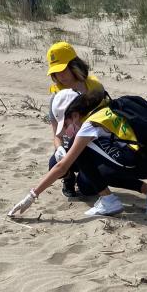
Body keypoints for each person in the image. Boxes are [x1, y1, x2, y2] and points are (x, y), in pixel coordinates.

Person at [8, 88, 147, 219]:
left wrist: (31, 196)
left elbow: (62, 167)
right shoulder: (108, 107)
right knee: (99, 171)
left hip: (138, 163)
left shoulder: (90, 125)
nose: (68, 130)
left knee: (78, 148)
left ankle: (108, 201)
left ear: (75, 114)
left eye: (68, 124)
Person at [46, 42, 105, 199]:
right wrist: (59, 149)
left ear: (74, 66)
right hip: (70, 147)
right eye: (56, 72)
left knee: (88, 188)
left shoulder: (95, 88)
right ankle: (68, 179)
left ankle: (88, 177)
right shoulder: (56, 97)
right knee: (54, 165)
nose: (61, 76)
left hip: (95, 146)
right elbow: (57, 135)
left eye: (63, 70)